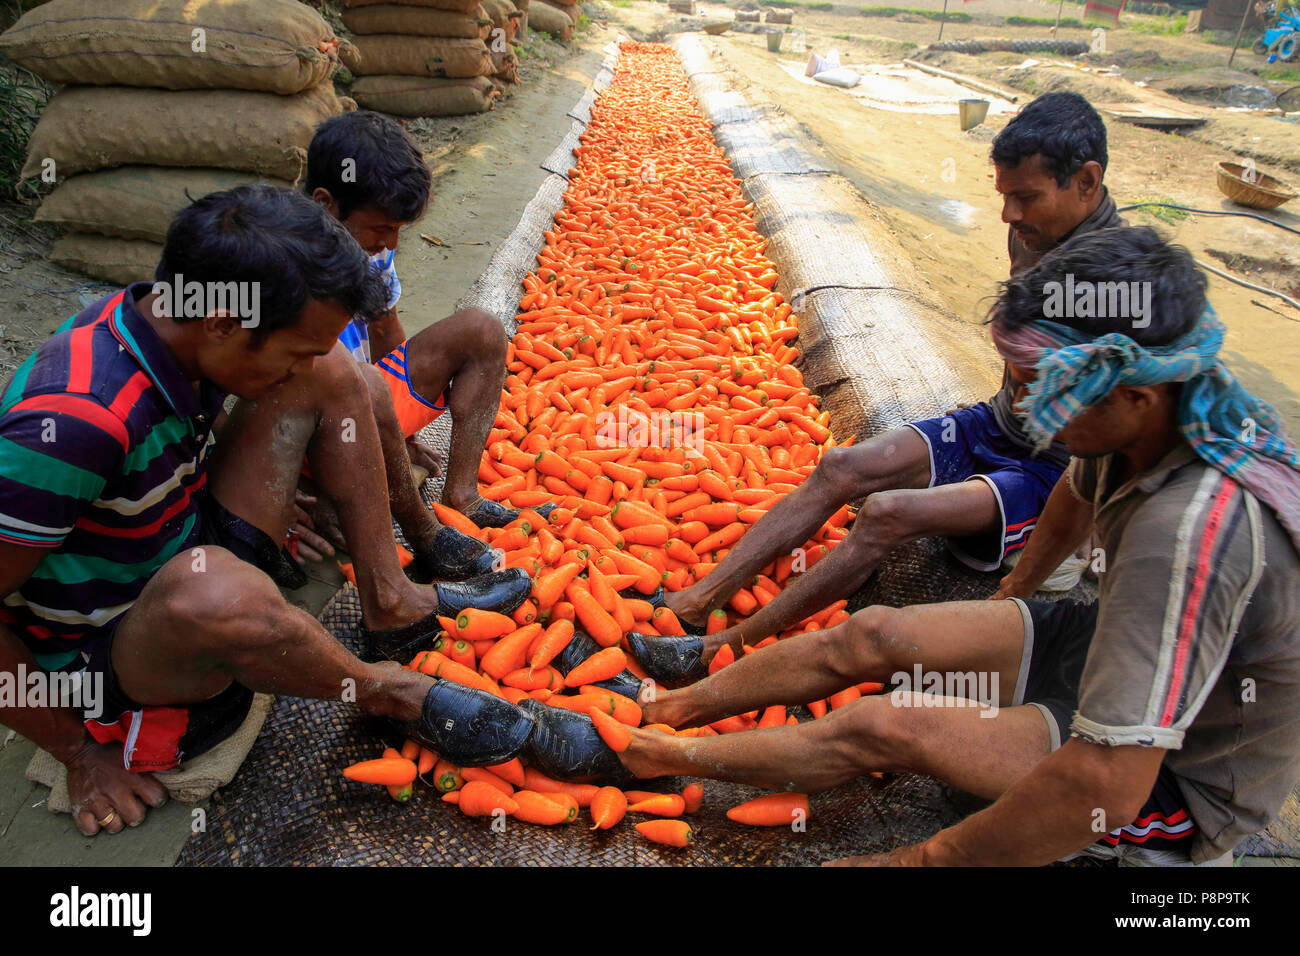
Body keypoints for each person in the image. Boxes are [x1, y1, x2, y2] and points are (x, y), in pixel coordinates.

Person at [594, 227, 1300, 866]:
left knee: (882, 723)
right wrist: (1013, 597)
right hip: (1103, 650)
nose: (1022, 413)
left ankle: (660, 757)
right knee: (873, 632)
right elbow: (1069, 502)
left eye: (1039, 393)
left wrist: (922, 861)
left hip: (1174, 772)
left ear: (1134, 396)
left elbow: (1106, 786)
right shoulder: (1144, 425)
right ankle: (667, 711)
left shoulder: (1183, 534)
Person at [0, 186, 596, 838]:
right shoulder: (71, 423)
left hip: (184, 547)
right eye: (293, 347)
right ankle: (390, 691)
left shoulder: (167, 324)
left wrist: (273, 476)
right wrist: (79, 755)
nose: (301, 364)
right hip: (113, 656)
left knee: (344, 375)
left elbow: (285, 390)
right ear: (224, 325)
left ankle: (390, 601)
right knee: (213, 589)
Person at [624, 91, 1119, 687]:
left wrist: (1032, 576)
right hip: (997, 422)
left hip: (1051, 471)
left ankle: (720, 646)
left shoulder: (1118, 286)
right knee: (839, 467)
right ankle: (702, 597)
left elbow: (1098, 465)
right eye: (1004, 197)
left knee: (885, 513)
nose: (1009, 215)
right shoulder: (1034, 235)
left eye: (1026, 198)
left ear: (1087, 182)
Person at [298, 111, 552, 590]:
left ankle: (463, 495)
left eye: (399, 230)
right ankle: (424, 532)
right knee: (363, 389)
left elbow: (385, 325)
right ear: (327, 205)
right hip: (312, 435)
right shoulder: (281, 264)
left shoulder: (369, 248)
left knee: (481, 330)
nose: (390, 243)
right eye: (381, 229)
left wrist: (400, 425)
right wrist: (282, 489)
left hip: (364, 408)